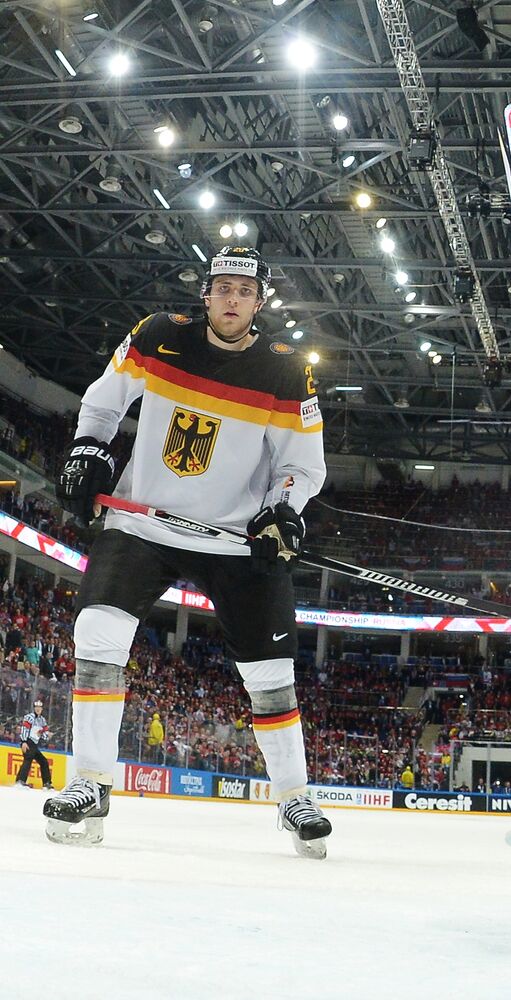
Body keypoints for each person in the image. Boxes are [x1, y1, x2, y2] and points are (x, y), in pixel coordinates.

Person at [46, 246, 332, 858]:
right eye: (222, 287)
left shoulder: (285, 372)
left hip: (234, 540)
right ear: (206, 294)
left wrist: (284, 510)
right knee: (96, 634)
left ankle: (293, 796)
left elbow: (301, 466)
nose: (232, 299)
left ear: (260, 303)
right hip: (142, 523)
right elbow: (103, 401)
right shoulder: (156, 336)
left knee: (270, 678)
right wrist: (87, 448)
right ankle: (89, 783)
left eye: (244, 291)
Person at [16, 697, 52, 789]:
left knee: (43, 761)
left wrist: (47, 735)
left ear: (42, 709)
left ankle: (46, 783)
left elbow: (44, 734)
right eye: (36, 707)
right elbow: (24, 729)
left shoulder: (42, 720)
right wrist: (23, 741)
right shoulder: (29, 717)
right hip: (28, 742)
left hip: (34, 744)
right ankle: (21, 781)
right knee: (28, 759)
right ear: (34, 708)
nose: (38, 709)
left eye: (39, 707)